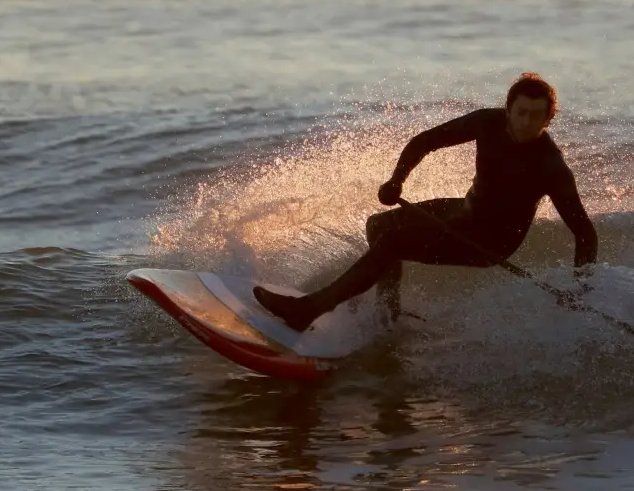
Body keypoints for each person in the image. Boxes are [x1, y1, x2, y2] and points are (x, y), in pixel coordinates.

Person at [255, 72, 599, 331]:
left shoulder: (551, 168)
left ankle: (308, 311)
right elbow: (425, 141)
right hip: (466, 213)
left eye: (536, 116)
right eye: (521, 112)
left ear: (548, 119)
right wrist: (396, 180)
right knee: (379, 225)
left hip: (490, 242)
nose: (526, 123)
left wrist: (579, 291)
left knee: (392, 242)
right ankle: (387, 315)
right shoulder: (487, 122)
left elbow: (584, 233)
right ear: (508, 109)